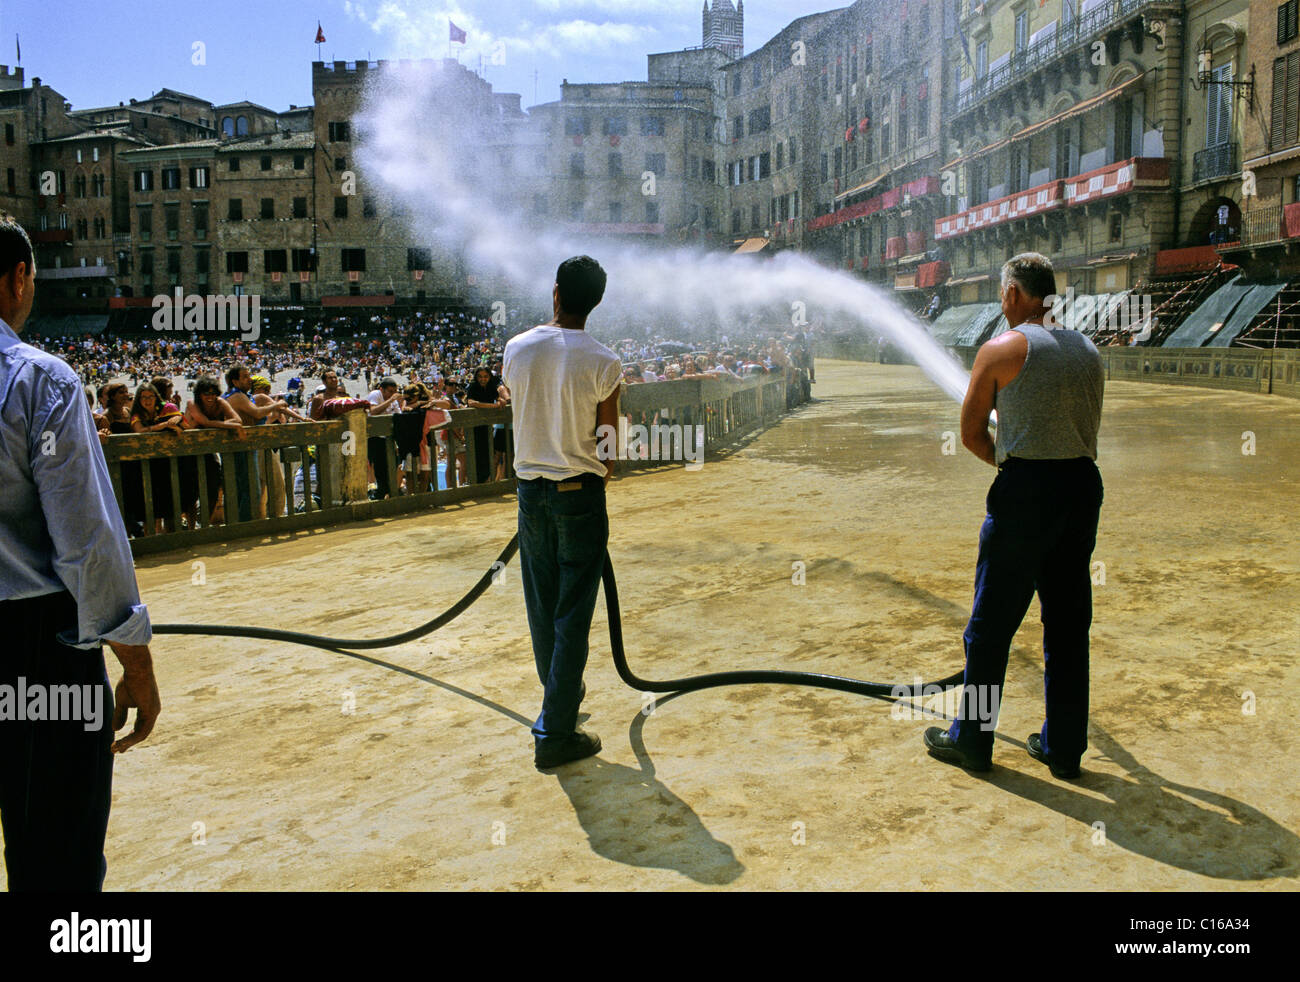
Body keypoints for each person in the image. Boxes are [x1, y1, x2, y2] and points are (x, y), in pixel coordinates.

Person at [0, 218, 161, 891]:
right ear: (19, 278)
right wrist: (136, 658)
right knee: (55, 850)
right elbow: (85, 540)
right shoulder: (41, 381)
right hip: (35, 642)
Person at [924, 252, 1105, 780]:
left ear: (1012, 294)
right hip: (1081, 490)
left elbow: (973, 435)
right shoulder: (1089, 350)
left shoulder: (1001, 350)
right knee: (1068, 626)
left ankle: (973, 741)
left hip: (1026, 494)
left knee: (990, 627)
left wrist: (1011, 462)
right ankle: (1064, 748)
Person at [503, 256, 621, 770]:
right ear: (595, 302)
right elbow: (609, 443)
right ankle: (554, 730)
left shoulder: (517, 348)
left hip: (530, 493)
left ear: (555, 293)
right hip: (580, 493)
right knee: (573, 611)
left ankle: (561, 702)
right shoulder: (604, 361)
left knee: (542, 604)